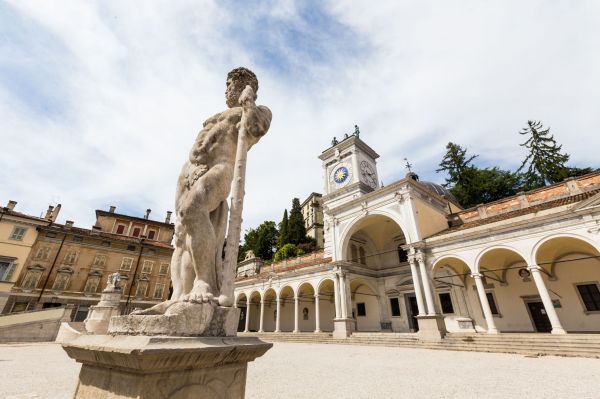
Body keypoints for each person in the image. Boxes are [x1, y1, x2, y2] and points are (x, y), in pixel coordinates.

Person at [136, 68, 271, 315]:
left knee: (192, 209)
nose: (225, 89)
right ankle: (178, 294)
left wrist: (249, 101)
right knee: (181, 234)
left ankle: (205, 281)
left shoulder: (256, 111)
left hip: (221, 166)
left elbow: (256, 129)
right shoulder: (215, 116)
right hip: (190, 171)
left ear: (241, 84)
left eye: (229, 84)